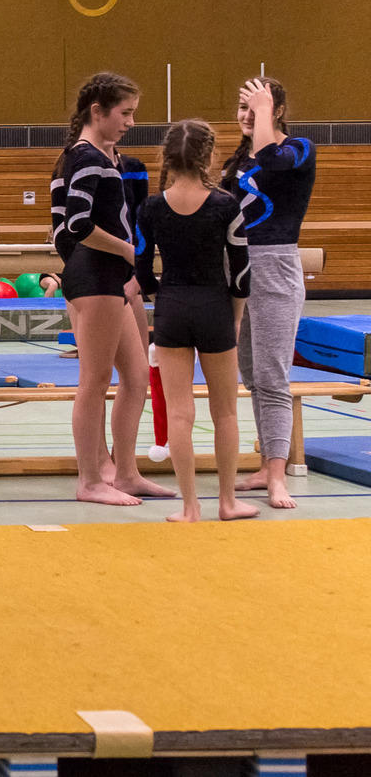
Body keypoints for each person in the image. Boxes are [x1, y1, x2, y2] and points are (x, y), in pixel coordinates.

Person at [50, 72, 173, 506]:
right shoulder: (86, 158)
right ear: (97, 111)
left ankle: (125, 472)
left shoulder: (97, 158)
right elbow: (75, 225)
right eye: (126, 113)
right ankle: (89, 480)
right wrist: (128, 250)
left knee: (137, 378)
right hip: (95, 276)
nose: (131, 122)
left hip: (107, 276)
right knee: (95, 380)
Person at [136, 119, 257, 522]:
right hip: (214, 308)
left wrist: (164, 299)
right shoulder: (226, 205)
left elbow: (141, 271)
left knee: (179, 413)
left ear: (167, 158)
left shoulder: (151, 208)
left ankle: (190, 507)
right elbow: (241, 273)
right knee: (225, 413)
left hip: (172, 307)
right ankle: (227, 502)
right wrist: (234, 319)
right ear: (208, 156)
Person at [222, 77, 316, 509]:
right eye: (242, 107)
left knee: (273, 376)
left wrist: (263, 110)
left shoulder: (298, 149)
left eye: (256, 107)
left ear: (276, 111)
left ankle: (278, 476)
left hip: (275, 265)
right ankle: (265, 463)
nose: (246, 115)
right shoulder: (236, 161)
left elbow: (271, 160)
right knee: (252, 375)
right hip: (236, 267)